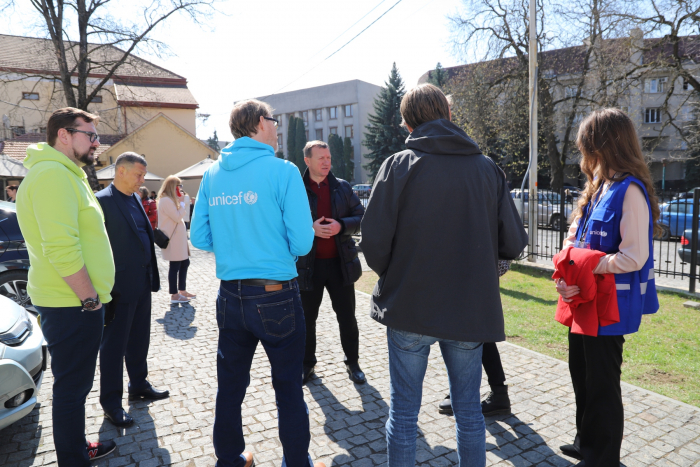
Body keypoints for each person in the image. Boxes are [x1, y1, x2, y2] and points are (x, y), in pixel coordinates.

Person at [360, 84, 528, 467]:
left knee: (403, 415)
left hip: (409, 307)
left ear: (407, 122)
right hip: (468, 310)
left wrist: (396, 272)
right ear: (448, 115)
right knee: (468, 412)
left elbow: (373, 241)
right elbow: (513, 242)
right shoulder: (486, 168)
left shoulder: (398, 165)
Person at [191, 99, 323, 467]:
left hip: (231, 295)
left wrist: (237, 246)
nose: (278, 127)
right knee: (287, 387)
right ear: (257, 124)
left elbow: (199, 239)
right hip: (276, 293)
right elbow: (302, 242)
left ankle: (230, 459)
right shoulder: (282, 171)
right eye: (273, 120)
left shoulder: (213, 174)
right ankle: (297, 462)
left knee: (231, 385)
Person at [555, 108, 660, 467]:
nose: (584, 155)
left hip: (609, 306)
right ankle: (586, 441)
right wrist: (567, 272)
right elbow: (575, 236)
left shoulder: (630, 191)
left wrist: (585, 265)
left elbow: (633, 257)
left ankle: (603, 459)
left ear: (604, 146)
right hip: (584, 300)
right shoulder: (599, 187)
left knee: (602, 383)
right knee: (581, 374)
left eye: (587, 147)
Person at [15, 107, 117, 465]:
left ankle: (74, 449)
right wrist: (90, 299)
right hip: (71, 302)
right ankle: (73, 458)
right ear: (64, 135)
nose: (96, 142)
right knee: (72, 389)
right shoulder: (53, 176)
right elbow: (60, 247)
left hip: (72, 301)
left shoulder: (64, 174)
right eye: (90, 135)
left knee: (74, 387)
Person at [96, 153, 169, 428]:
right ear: (121, 171)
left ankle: (138, 385)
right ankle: (111, 403)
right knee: (113, 347)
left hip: (142, 283)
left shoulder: (136, 198)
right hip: (117, 289)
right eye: (138, 174)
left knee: (139, 340)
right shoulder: (102, 201)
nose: (142, 180)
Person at [297, 140, 366, 384]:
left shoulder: (342, 188)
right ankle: (307, 365)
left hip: (341, 265)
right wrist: (309, 229)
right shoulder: (295, 188)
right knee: (306, 319)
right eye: (321, 158)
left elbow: (361, 216)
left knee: (347, 317)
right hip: (308, 266)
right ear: (307, 161)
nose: (327, 162)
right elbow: (284, 224)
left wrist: (341, 225)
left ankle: (353, 363)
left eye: (329, 158)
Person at [439, 261, 514, 417]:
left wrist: (484, 268)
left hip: (475, 276)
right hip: (463, 277)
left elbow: (511, 245)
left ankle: (475, 394)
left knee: (473, 333)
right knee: (473, 334)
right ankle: (494, 393)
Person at [158, 175, 195, 303]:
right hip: (173, 239)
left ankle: (182, 290)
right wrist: (183, 202)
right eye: (179, 186)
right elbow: (178, 216)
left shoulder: (170, 200)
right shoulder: (166, 200)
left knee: (184, 263)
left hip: (178, 238)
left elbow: (182, 217)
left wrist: (180, 202)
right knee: (175, 265)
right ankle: (174, 294)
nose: (180, 189)